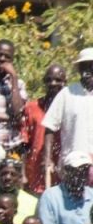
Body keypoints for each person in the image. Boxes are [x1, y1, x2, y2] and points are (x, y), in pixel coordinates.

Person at [42, 48, 93, 184]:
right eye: (85, 66)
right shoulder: (67, 93)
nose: (89, 70)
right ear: (80, 69)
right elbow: (50, 127)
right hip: (73, 165)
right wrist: (48, 158)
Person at [37, 152, 93, 224]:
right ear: (66, 171)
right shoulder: (50, 196)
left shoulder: (92, 194)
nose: (82, 174)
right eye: (77, 170)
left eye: (85, 170)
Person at [21, 64, 66, 194]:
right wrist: (23, 174)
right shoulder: (32, 107)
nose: (53, 83)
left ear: (65, 82)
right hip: (35, 173)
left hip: (62, 174)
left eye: (58, 80)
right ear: (44, 82)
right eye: (49, 79)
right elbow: (24, 144)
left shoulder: (70, 109)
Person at [0, 159, 38, 224]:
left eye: (13, 174)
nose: (8, 177)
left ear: (19, 177)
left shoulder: (32, 202)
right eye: (4, 173)